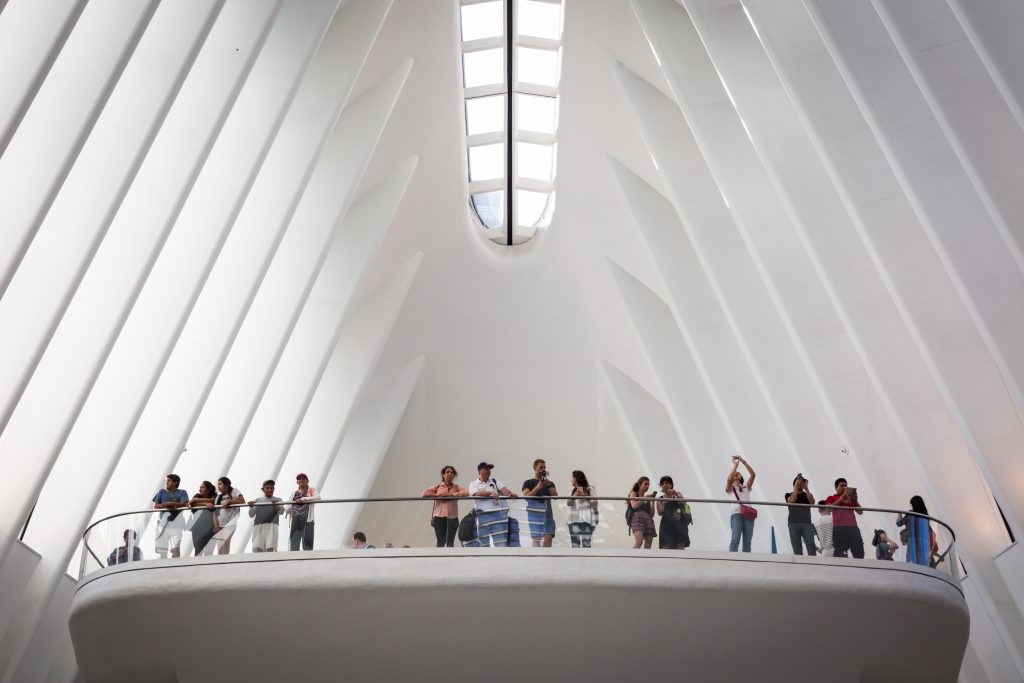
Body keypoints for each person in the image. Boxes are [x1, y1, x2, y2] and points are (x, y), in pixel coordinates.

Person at [468, 462, 518, 547]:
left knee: (500, 543)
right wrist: (490, 493)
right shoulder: (473, 484)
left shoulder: (494, 480)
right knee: (484, 543)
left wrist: (510, 494)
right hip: (482, 517)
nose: (488, 471)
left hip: (496, 516)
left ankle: (502, 559)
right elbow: (475, 494)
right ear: (480, 471)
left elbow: (504, 489)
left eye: (489, 469)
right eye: (486, 468)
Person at [422, 465, 469, 547]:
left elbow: (467, 493)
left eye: (452, 473)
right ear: (443, 474)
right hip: (439, 517)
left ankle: (450, 559)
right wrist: (437, 495)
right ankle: (438, 559)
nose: (450, 474)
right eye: (447, 472)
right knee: (441, 542)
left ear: (454, 475)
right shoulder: (437, 487)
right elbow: (424, 494)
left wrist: (453, 494)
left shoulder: (456, 487)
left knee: (450, 543)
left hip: (452, 518)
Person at [824, 478, 864, 558]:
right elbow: (828, 509)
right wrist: (840, 499)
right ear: (836, 487)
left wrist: (855, 501)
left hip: (853, 528)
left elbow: (860, 512)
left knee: (859, 551)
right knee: (839, 552)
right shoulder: (831, 497)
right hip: (839, 528)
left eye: (846, 486)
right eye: (842, 485)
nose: (844, 487)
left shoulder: (851, 499)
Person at [522, 458, 558, 547]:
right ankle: (537, 559)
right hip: (534, 515)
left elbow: (555, 496)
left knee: (548, 536)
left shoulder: (549, 483)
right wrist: (537, 488)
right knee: (536, 540)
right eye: (541, 467)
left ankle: (546, 558)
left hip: (547, 515)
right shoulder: (528, 482)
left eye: (544, 468)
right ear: (535, 468)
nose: (543, 470)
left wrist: (548, 484)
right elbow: (526, 497)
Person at [151, 474, 189, 558]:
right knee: (162, 550)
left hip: (176, 525)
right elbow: (156, 506)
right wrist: (167, 506)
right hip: (162, 525)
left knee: (176, 549)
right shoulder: (161, 491)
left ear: (175, 482)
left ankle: (176, 567)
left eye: (169, 480)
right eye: (166, 480)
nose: (166, 482)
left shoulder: (182, 492)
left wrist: (171, 503)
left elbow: (185, 504)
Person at [726, 455, 756, 553]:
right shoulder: (730, 488)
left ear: (741, 477)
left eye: (738, 473)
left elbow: (753, 475)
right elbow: (729, 480)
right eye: (735, 473)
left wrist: (743, 461)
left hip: (748, 514)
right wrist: (735, 465)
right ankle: (732, 561)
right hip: (736, 514)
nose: (736, 473)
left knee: (747, 541)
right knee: (735, 538)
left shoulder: (746, 487)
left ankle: (746, 563)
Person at [897, 495, 937, 567]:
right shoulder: (926, 517)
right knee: (925, 566)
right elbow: (931, 532)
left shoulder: (910, 514)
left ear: (914, 505)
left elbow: (898, 523)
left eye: (911, 505)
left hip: (913, 543)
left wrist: (899, 513)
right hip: (924, 544)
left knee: (913, 566)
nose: (911, 506)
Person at [211, 476, 245, 555]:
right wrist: (216, 526)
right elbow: (215, 513)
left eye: (220, 484)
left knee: (226, 542)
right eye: (218, 485)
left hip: (230, 523)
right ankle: (220, 562)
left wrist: (230, 501)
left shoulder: (234, 491)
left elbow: (242, 501)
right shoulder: (218, 497)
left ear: (226, 485)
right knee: (220, 544)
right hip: (219, 524)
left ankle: (224, 561)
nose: (218, 486)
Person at [248, 480, 285, 552]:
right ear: (263, 489)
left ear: (274, 489)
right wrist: (251, 506)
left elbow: (281, 512)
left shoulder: (278, 499)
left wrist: (276, 505)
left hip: (272, 525)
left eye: (271, 488)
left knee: (271, 548)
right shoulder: (257, 500)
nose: (269, 490)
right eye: (267, 488)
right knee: (257, 548)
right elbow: (251, 515)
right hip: (259, 525)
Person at [287, 473, 321, 551]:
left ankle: (308, 562)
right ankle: (294, 561)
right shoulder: (293, 493)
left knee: (307, 546)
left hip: (307, 521)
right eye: (299, 479)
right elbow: (288, 507)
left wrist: (303, 499)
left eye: (303, 478)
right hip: (295, 521)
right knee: (294, 546)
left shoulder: (311, 490)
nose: (301, 480)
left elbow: (318, 498)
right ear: (297, 482)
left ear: (307, 481)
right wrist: (289, 509)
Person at [785, 473, 816, 556]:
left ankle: (813, 564)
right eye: (799, 481)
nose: (800, 482)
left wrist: (806, 488)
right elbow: (791, 501)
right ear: (794, 483)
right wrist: (796, 486)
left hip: (807, 523)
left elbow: (812, 502)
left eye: (802, 481)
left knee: (811, 545)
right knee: (797, 548)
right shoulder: (788, 494)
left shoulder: (807, 495)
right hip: (793, 523)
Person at [566, 470, 598, 548]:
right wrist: (574, 496)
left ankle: (586, 560)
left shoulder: (590, 489)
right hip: (573, 520)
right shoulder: (572, 491)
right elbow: (568, 503)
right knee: (575, 545)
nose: (571, 480)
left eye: (572, 477)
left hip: (586, 520)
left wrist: (586, 497)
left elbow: (595, 503)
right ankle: (575, 560)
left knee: (586, 545)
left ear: (576, 478)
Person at [657, 476, 689, 550]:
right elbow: (660, 513)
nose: (665, 485)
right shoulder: (660, 499)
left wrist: (676, 495)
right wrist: (664, 501)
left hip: (678, 522)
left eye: (667, 483)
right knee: (665, 545)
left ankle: (681, 561)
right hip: (666, 524)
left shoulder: (677, 494)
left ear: (671, 485)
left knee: (680, 544)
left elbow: (685, 504)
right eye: (662, 484)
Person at [187, 480, 217, 556]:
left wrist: (196, 501)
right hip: (197, 528)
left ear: (208, 489)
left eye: (202, 487)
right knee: (198, 550)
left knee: (209, 552)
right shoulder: (197, 495)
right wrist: (205, 503)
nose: (200, 489)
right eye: (200, 487)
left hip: (210, 528)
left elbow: (213, 501)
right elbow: (190, 504)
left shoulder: (214, 496)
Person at [628, 477, 657, 549]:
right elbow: (634, 505)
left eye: (648, 485)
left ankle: (645, 559)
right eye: (645, 484)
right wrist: (645, 498)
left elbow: (652, 514)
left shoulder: (646, 497)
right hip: (637, 519)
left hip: (648, 520)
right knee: (639, 541)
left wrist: (653, 502)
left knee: (648, 545)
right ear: (639, 484)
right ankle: (631, 558)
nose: (647, 486)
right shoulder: (634, 493)